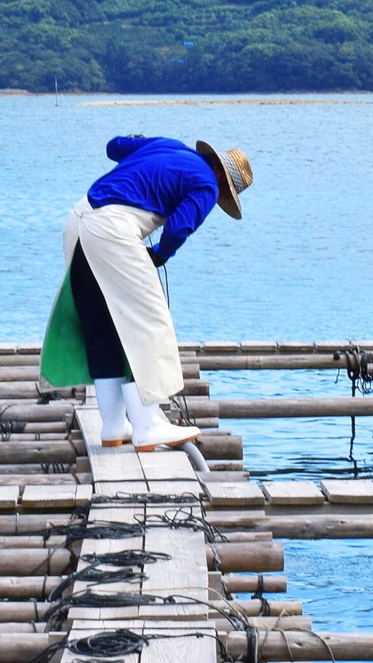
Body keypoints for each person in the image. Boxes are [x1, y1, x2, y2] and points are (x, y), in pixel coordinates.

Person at [39, 135, 253, 450]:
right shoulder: (207, 183)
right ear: (222, 175)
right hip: (113, 231)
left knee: (103, 327)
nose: (219, 195)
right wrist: (161, 255)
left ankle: (114, 426)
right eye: (226, 191)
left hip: (79, 219)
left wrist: (137, 140)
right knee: (148, 324)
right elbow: (178, 228)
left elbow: (113, 147)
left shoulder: (168, 145)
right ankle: (147, 425)